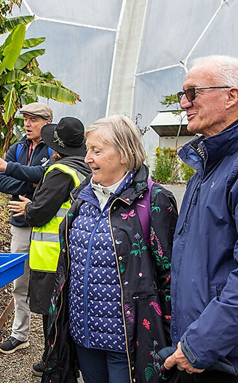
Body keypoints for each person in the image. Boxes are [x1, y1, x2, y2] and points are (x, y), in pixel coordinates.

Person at [42, 115, 178, 383]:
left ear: (125, 155)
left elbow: (170, 276)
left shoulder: (156, 201)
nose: (88, 158)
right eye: (88, 150)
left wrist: (171, 337)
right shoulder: (82, 197)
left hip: (127, 341)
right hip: (85, 334)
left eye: (97, 151)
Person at [163, 55, 238, 382]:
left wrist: (201, 345)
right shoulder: (204, 172)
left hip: (221, 358)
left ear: (231, 96)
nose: (183, 103)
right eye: (182, 94)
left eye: (193, 93)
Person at [7, 116, 91, 377]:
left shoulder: (59, 172)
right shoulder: (83, 168)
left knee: (53, 317)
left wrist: (28, 208)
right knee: (67, 312)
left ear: (57, 148)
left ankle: (53, 361)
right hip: (73, 254)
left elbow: (42, 210)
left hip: (51, 256)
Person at [0, 102, 53, 354]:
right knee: (19, 280)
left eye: (33, 119)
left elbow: (48, 177)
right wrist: (32, 182)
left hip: (47, 225)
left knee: (49, 280)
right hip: (20, 224)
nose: (27, 124)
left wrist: (23, 174)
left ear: (47, 121)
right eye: (25, 119)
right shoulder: (17, 147)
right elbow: (2, 182)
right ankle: (19, 333)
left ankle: (52, 342)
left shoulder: (55, 147)